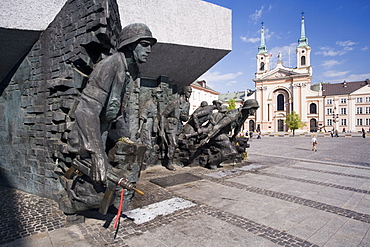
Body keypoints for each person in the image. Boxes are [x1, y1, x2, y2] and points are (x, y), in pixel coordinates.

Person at [67, 23, 157, 183]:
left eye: (150, 46)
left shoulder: (131, 70)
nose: (149, 50)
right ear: (130, 46)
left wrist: (124, 136)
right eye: (144, 45)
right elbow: (86, 111)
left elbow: (116, 109)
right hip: (86, 139)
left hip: (104, 133)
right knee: (98, 184)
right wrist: (97, 154)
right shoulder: (110, 65)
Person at [160, 86, 192, 170]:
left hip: (178, 126)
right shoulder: (175, 102)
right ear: (184, 92)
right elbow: (163, 115)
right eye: (189, 92)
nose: (190, 94)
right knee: (173, 143)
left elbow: (186, 118)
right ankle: (169, 163)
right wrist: (162, 129)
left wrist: (184, 117)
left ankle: (171, 160)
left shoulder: (187, 104)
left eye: (191, 92)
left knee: (174, 145)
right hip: (171, 125)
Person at [136, 87, 163, 167]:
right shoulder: (149, 103)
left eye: (160, 93)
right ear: (154, 94)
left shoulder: (156, 104)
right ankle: (142, 164)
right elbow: (142, 116)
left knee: (153, 143)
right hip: (147, 124)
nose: (160, 95)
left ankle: (146, 162)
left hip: (153, 124)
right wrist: (139, 129)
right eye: (158, 93)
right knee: (148, 145)